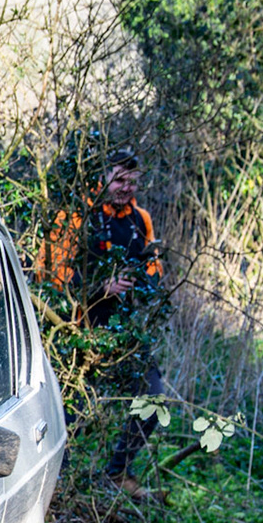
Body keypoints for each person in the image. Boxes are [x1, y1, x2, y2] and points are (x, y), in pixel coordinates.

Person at [40, 149, 169, 492]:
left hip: (122, 331)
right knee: (69, 411)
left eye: (132, 181)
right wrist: (101, 286)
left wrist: (144, 280)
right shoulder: (75, 215)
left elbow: (154, 270)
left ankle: (118, 472)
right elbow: (50, 276)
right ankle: (57, 482)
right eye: (119, 179)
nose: (126, 187)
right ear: (102, 178)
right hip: (77, 330)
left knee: (153, 397)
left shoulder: (140, 219)